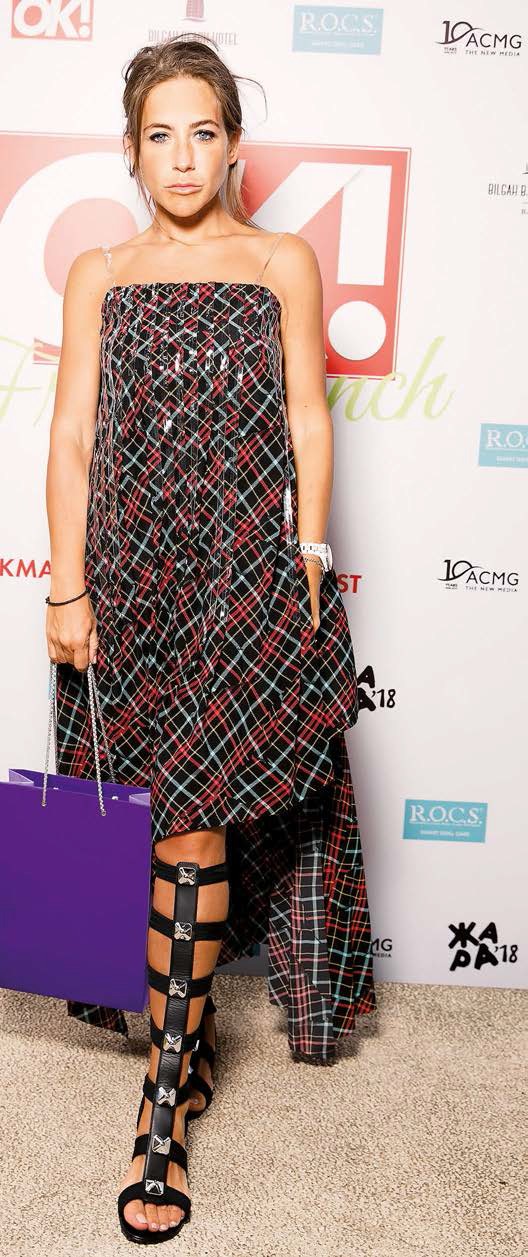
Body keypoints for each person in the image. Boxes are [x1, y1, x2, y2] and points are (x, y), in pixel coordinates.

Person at [45, 33, 376, 1245]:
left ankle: (162, 1105)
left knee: (196, 826)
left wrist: (312, 552)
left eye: (203, 132)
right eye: (159, 135)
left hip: (245, 586)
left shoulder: (281, 260)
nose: (182, 156)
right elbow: (72, 437)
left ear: (234, 144)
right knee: (161, 829)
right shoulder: (100, 272)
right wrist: (66, 590)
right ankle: (182, 1054)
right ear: (132, 152)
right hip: (130, 585)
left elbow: (308, 418)